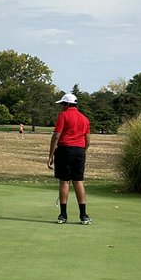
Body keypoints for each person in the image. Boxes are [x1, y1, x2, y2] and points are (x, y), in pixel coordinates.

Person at [47, 93, 91, 224]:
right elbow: (87, 141)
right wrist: (81, 151)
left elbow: (56, 136)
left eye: (62, 104)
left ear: (67, 104)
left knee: (64, 182)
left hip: (64, 150)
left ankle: (63, 215)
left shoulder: (63, 115)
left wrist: (50, 155)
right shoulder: (84, 118)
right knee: (78, 181)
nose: (61, 107)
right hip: (79, 151)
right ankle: (83, 216)